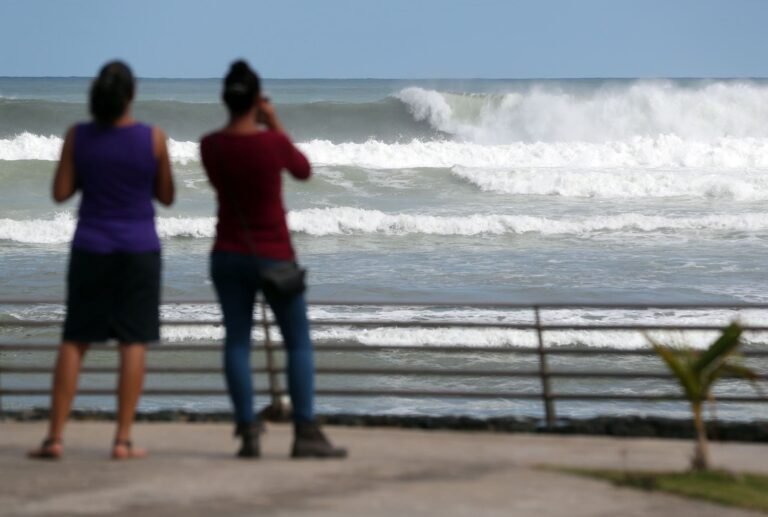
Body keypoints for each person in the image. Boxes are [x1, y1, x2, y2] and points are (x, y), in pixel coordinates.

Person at [28, 61, 175, 460]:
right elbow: (166, 196)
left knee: (75, 339)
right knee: (132, 342)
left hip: (91, 247)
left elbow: (60, 192)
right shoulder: (154, 139)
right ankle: (122, 440)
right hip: (139, 249)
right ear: (131, 95)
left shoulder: (78, 136)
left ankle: (55, 438)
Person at [200, 60, 346, 459]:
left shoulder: (210, 145)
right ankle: (304, 432)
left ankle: (248, 431)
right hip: (275, 256)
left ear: (225, 99)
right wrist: (274, 121)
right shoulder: (271, 143)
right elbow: (302, 170)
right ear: (256, 100)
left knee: (236, 343)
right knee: (297, 343)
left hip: (227, 254)